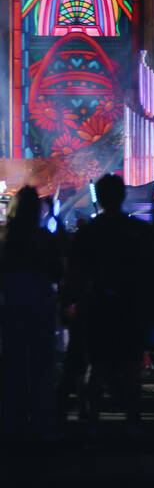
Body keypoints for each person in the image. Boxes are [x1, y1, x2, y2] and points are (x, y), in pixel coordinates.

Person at [68, 174, 154, 437]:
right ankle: (133, 420)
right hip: (130, 305)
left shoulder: (89, 231)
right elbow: (153, 273)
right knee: (131, 366)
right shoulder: (137, 231)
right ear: (123, 196)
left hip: (98, 304)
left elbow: (76, 273)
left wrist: (74, 304)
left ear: (98, 197)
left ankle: (93, 422)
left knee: (96, 365)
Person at [0, 186, 62, 442]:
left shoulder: (4, 238)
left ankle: (12, 422)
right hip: (40, 307)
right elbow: (57, 271)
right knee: (42, 367)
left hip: (11, 306)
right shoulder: (43, 239)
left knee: (12, 365)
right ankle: (40, 423)